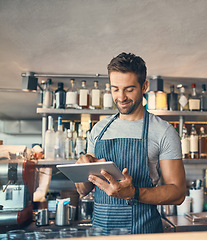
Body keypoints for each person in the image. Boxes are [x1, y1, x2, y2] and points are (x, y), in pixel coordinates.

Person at [75, 52, 186, 235]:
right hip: (100, 232)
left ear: (144, 86)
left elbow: (178, 193)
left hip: (143, 231)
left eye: (129, 89)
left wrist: (133, 193)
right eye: (115, 89)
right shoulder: (98, 130)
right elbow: (83, 190)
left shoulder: (163, 131)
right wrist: (82, 172)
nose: (121, 97)